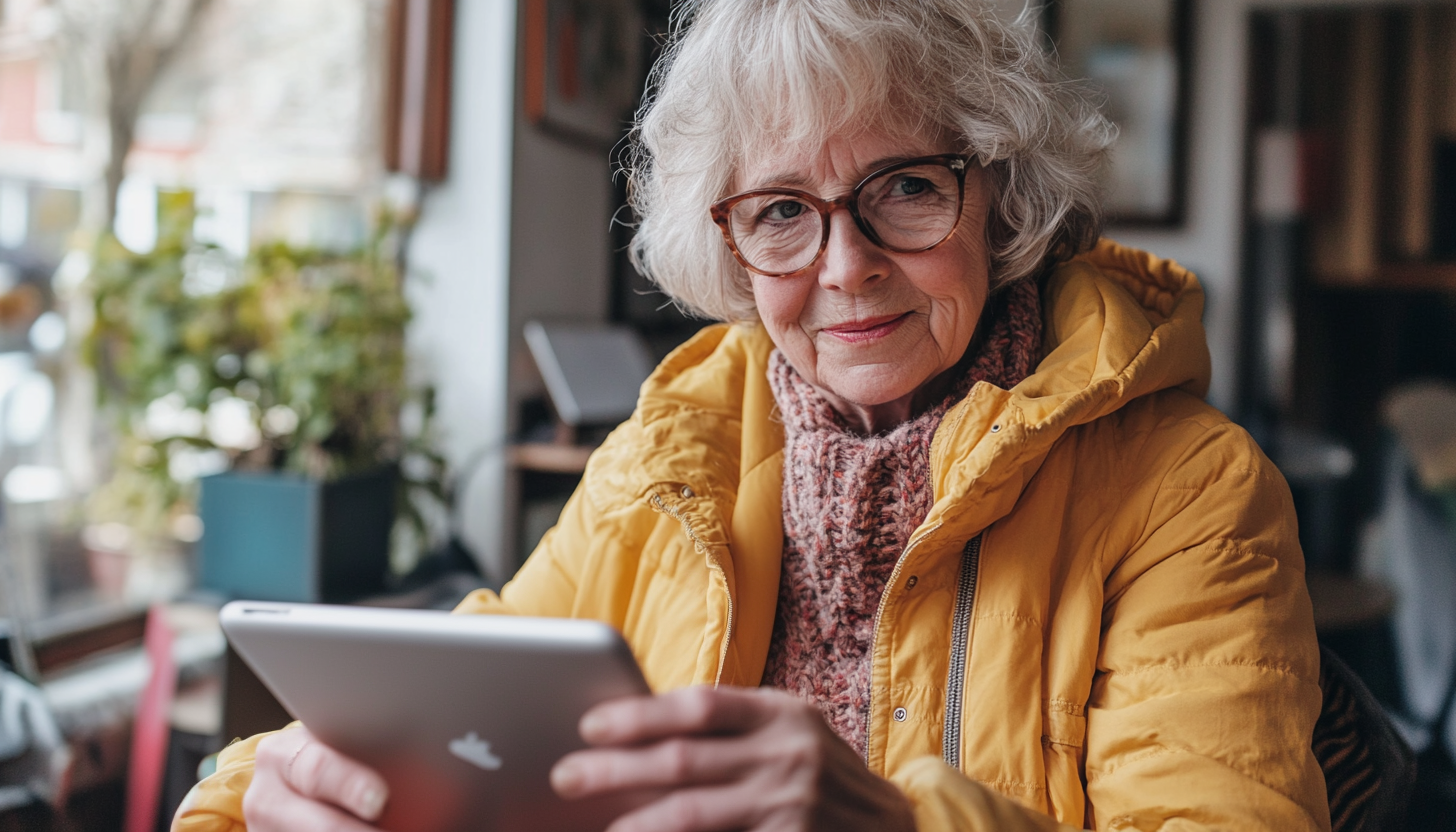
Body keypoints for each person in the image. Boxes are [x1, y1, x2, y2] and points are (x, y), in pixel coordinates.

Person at [175, 0, 1331, 829]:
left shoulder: (1190, 488)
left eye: (907, 190)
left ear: (1000, 194)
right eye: (782, 211)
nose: (846, 267)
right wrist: (268, 787)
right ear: (725, 241)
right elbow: (459, 691)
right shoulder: (668, 457)